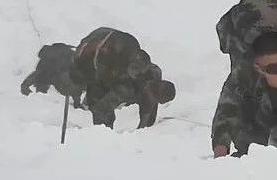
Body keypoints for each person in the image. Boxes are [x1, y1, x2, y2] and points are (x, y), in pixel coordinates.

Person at [21, 27, 177, 129]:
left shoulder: (153, 76)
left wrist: (142, 132)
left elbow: (148, 115)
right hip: (94, 64)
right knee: (70, 84)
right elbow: (102, 107)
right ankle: (48, 68)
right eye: (155, 91)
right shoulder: (127, 84)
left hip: (104, 62)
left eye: (156, 96)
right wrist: (103, 133)